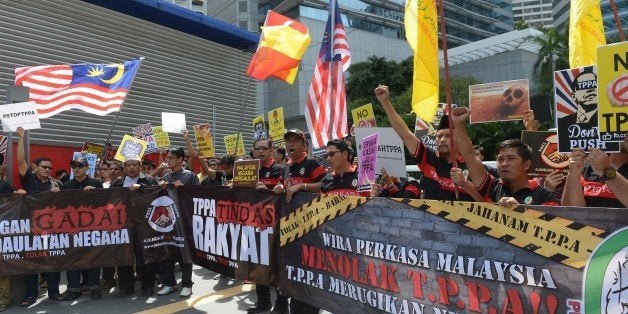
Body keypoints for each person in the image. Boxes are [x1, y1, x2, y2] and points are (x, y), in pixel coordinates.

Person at [375, 85, 487, 201]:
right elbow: (405, 133)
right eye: (439, 136)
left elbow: (485, 201)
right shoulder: (427, 158)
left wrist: (465, 185)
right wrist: (385, 101)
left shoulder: (473, 165)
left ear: (459, 139)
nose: (442, 140)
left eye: (448, 136)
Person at [449, 107, 559, 206]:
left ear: (526, 164)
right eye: (500, 159)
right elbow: (469, 155)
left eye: (511, 158)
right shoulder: (491, 187)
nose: (504, 163)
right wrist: (458, 123)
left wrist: (521, 210)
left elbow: (553, 226)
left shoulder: (545, 195)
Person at [272, 128, 326, 314]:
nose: (290, 145)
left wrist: (301, 186)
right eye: (288, 142)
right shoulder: (286, 166)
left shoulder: (312, 162)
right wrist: (280, 186)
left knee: (310, 271)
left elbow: (325, 185)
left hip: (311, 228)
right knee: (295, 271)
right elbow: (283, 184)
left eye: (295, 141)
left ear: (305, 145)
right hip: (291, 228)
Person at [15, 127, 65, 306]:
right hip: (31, 228)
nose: (48, 170)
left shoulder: (57, 183)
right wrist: (20, 137)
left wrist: (59, 194)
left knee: (53, 260)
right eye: (44, 167)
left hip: (52, 229)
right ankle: (31, 295)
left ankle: (53, 292)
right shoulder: (28, 179)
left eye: (50, 168)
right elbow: (20, 160)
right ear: (35, 167)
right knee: (31, 263)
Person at [110, 155, 159, 297]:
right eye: (128, 165)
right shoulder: (118, 182)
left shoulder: (148, 180)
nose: (131, 167)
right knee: (123, 257)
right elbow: (109, 199)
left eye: (134, 165)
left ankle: (148, 286)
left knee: (145, 256)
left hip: (143, 225)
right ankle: (126, 288)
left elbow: (156, 193)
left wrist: (142, 187)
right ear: (124, 168)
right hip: (123, 225)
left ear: (139, 166)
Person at [248, 137, 287, 314]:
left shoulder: (281, 170)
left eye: (264, 148)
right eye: (257, 149)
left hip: (276, 226)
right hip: (254, 225)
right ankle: (262, 302)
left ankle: (281, 305)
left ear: (272, 150)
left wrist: (271, 191)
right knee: (258, 265)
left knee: (277, 266)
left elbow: (285, 195)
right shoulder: (249, 170)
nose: (260, 151)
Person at [156, 147, 199, 298]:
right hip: (167, 222)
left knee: (184, 254)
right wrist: (160, 187)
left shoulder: (190, 176)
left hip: (184, 222)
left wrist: (184, 189)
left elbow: (198, 197)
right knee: (166, 252)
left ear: (180, 159)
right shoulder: (166, 177)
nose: (167, 160)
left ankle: (187, 284)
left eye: (171, 157)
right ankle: (169, 283)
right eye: (167, 157)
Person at [59, 156, 104, 300]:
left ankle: (95, 287)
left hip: (92, 229)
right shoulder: (66, 185)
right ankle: (73, 289)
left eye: (80, 165)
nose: (76, 168)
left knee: (93, 259)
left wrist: (95, 193)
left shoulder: (96, 183)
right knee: (73, 259)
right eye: (74, 165)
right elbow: (60, 206)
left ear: (86, 167)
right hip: (71, 230)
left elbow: (104, 205)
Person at [562, 136, 628, 208]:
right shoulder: (589, 168)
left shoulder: (600, 166)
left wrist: (606, 171)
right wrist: (573, 173)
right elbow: (572, 212)